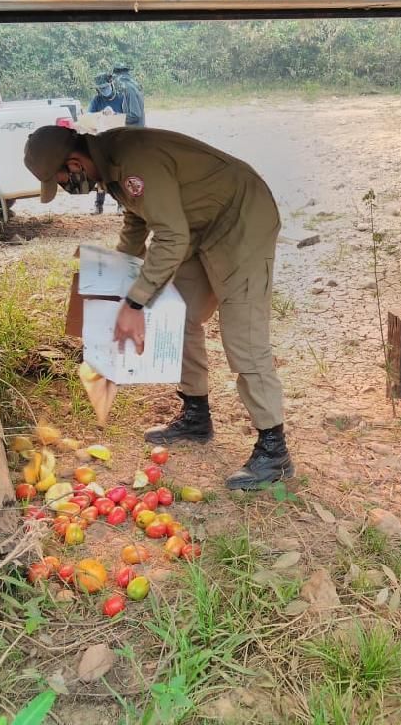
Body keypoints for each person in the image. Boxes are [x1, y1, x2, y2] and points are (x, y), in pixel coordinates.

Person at [23, 125, 292, 490]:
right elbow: (139, 216)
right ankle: (196, 415)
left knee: (243, 336)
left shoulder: (134, 160)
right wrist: (119, 273)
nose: (69, 189)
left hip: (239, 218)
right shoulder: (110, 165)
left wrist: (135, 301)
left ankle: (274, 450)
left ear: (74, 163)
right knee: (178, 315)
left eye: (62, 181)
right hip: (197, 226)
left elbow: (171, 235)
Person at [87, 73, 126, 215]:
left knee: (117, 174)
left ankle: (121, 205)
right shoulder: (97, 100)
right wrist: (101, 113)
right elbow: (88, 116)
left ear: (111, 84)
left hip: (118, 140)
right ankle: (98, 205)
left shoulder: (122, 98)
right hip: (102, 141)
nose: (103, 90)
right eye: (100, 88)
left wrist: (115, 114)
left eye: (105, 87)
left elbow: (130, 116)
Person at [111, 64, 145, 128]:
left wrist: (116, 117)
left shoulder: (128, 88)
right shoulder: (133, 85)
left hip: (134, 133)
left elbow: (135, 115)